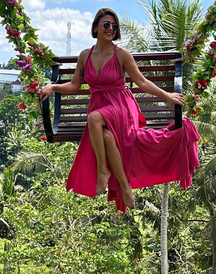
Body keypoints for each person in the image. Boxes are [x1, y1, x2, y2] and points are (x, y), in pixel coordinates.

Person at [39, 8, 201, 212]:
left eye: (114, 26)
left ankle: (102, 171)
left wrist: (167, 95)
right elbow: (74, 85)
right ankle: (125, 187)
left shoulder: (122, 54)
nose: (111, 29)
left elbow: (142, 82)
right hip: (100, 105)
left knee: (93, 119)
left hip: (121, 106)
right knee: (106, 137)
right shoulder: (85, 56)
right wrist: (53, 87)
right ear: (95, 27)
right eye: (106, 25)